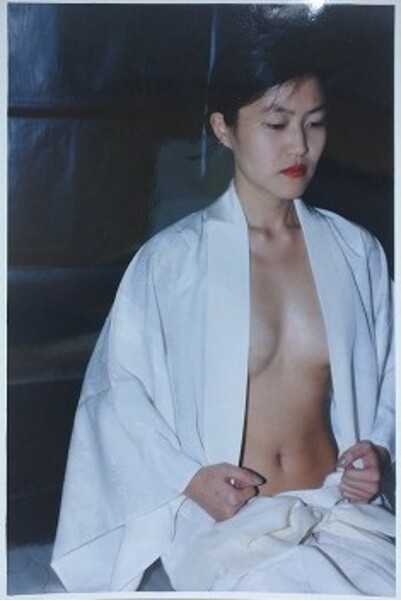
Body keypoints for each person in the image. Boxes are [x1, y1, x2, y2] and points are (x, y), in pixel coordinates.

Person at [51, 17, 395, 595]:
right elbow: (118, 393)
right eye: (276, 123)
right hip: (233, 525)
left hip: (340, 510)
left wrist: (378, 452)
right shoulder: (172, 262)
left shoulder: (356, 252)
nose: (299, 145)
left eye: (314, 123)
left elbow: (392, 376)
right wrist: (187, 478)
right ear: (224, 128)